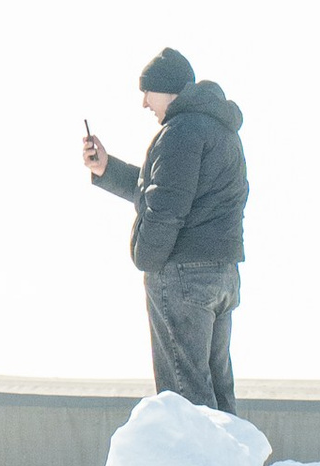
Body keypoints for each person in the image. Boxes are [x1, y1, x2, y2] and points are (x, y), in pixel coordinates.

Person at [80, 47, 249, 413]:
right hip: (222, 275)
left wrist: (146, 259)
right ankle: (231, 453)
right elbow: (165, 190)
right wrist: (106, 169)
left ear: (168, 89)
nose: (144, 102)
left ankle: (198, 455)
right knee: (218, 393)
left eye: (147, 91)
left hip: (184, 277)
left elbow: (166, 207)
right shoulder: (221, 129)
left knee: (186, 402)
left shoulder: (180, 131)